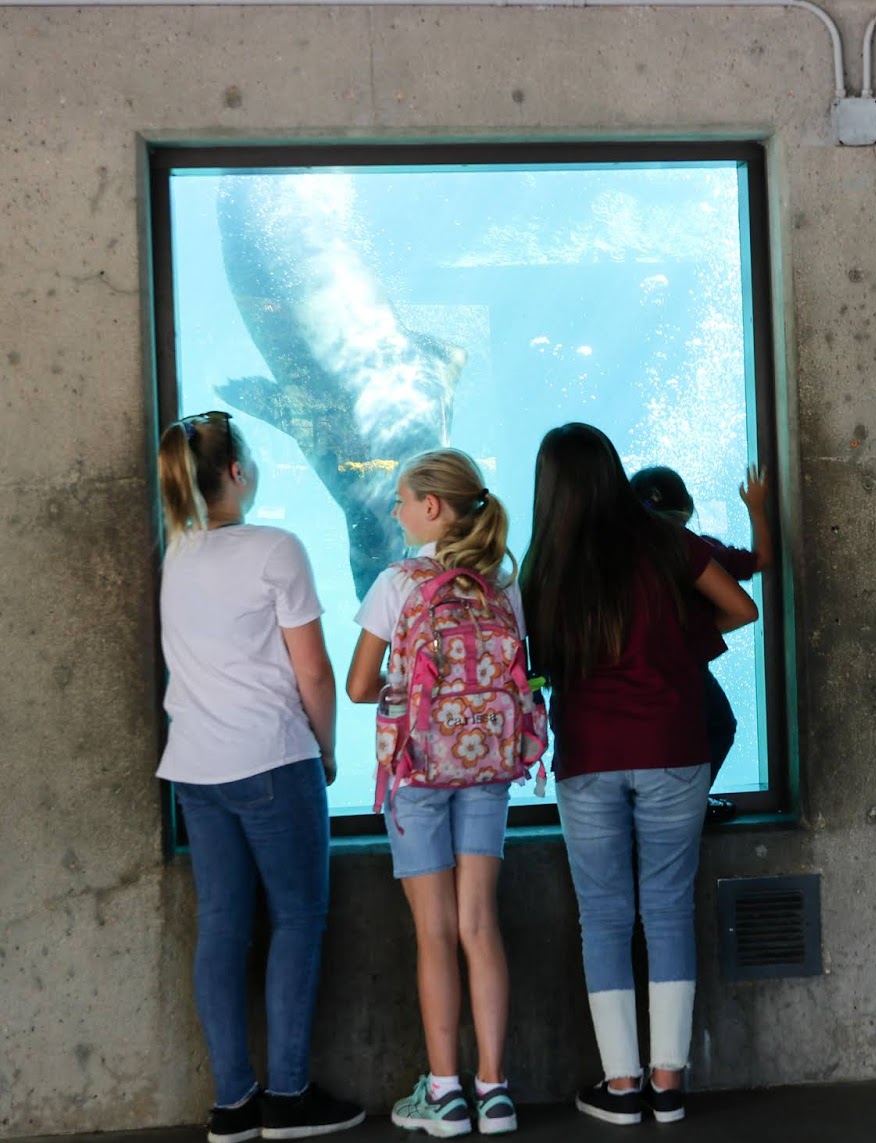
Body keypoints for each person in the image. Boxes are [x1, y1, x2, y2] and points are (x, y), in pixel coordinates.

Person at [520, 424, 758, 1125]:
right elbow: (741, 606)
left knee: (604, 916)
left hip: (588, 755)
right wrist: (678, 648)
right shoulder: (665, 541)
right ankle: (669, 1083)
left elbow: (535, 667)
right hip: (673, 746)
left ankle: (621, 1086)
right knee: (668, 908)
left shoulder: (544, 564)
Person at [155, 410, 364, 1143]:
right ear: (238, 472)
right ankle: (289, 1098)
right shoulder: (277, 548)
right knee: (298, 920)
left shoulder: (177, 552)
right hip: (272, 759)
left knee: (221, 927)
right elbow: (315, 671)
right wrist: (326, 751)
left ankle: (233, 1105)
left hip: (196, 771)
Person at [347, 449, 528, 1137]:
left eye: (402, 500)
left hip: (419, 772)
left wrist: (411, 689)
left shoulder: (397, 582)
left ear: (432, 507)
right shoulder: (503, 583)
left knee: (435, 932)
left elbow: (358, 687)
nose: (395, 511)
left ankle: (446, 1093)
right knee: (480, 924)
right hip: (486, 769)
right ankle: (496, 1092)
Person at [630, 463, 773, 822]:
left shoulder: (617, 558)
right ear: (688, 507)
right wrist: (756, 507)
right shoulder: (695, 548)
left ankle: (649, 803)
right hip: (686, 667)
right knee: (719, 725)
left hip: (634, 669)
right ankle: (690, 802)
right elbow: (761, 561)